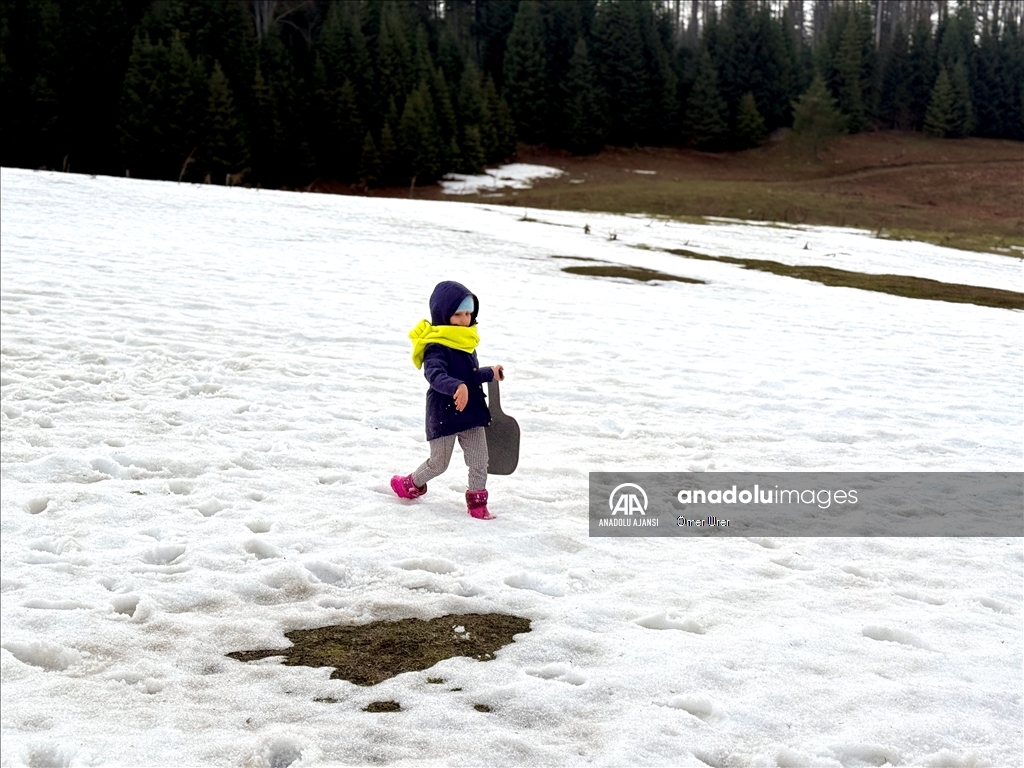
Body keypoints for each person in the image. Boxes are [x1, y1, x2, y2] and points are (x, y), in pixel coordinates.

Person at [391, 281, 505, 520]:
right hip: (444, 414)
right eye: (458, 314)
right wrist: (456, 386)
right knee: (439, 463)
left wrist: (490, 372)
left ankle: (477, 503)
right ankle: (412, 483)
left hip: (471, 411)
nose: (465, 319)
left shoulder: (466, 340)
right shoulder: (436, 346)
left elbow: (470, 375)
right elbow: (435, 375)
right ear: (443, 315)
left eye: (468, 313)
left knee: (479, 460)